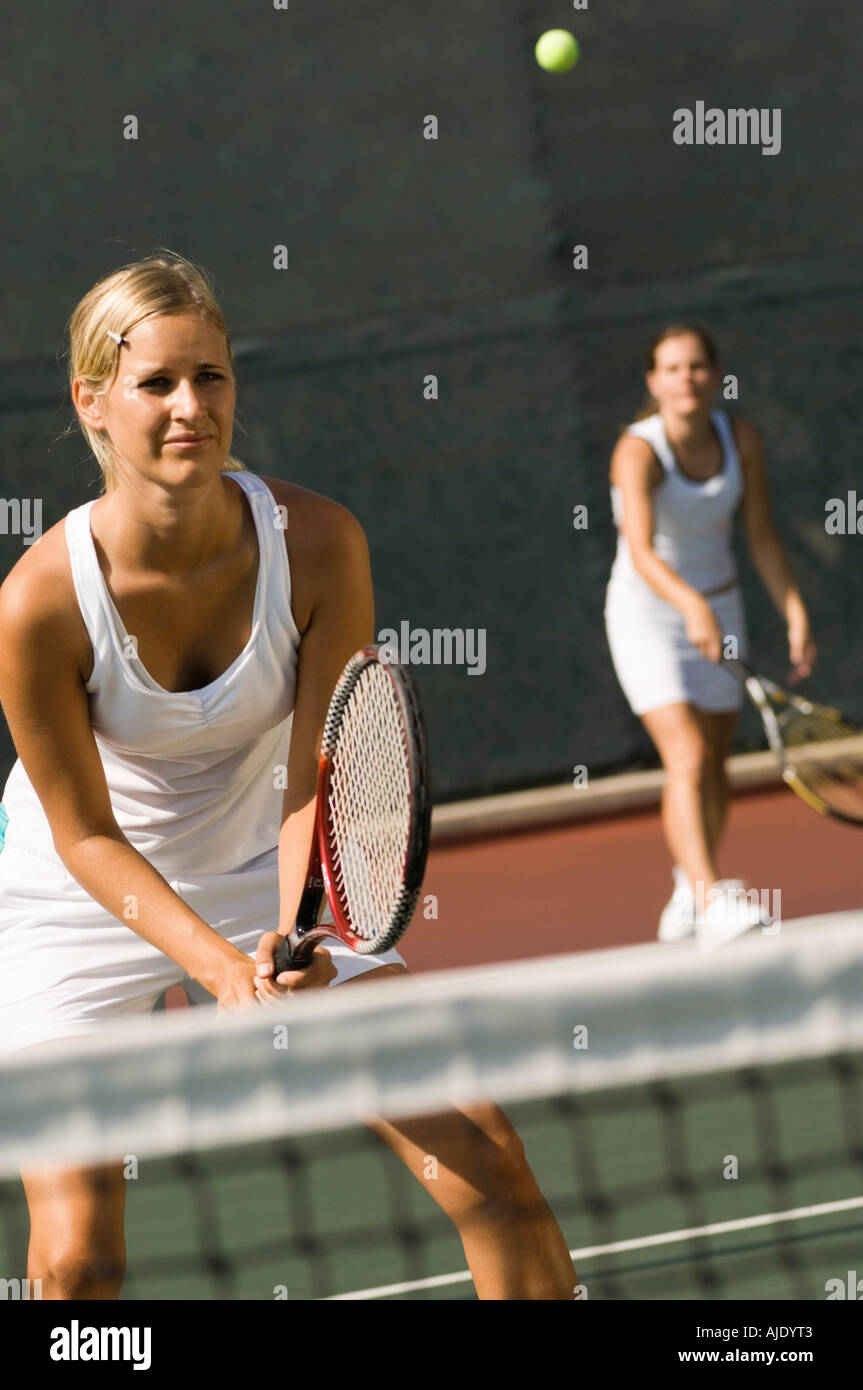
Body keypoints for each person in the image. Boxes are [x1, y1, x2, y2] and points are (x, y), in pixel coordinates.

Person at [0, 252, 575, 1299]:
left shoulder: (316, 544)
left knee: (485, 1158)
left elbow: (325, 771)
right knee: (77, 1259)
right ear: (91, 400)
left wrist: (296, 934)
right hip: (76, 896)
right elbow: (83, 832)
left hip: (266, 863)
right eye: (156, 383)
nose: (190, 408)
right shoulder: (39, 601)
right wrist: (220, 972)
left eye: (210, 377)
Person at [604, 324, 815, 948]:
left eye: (696, 366)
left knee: (715, 766)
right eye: (672, 369)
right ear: (654, 382)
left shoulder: (739, 437)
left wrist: (794, 608)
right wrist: (691, 605)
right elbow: (639, 551)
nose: (686, 378)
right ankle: (712, 894)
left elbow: (762, 534)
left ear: (714, 374)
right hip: (649, 618)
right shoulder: (637, 451)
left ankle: (687, 885)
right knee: (687, 757)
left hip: (722, 613)